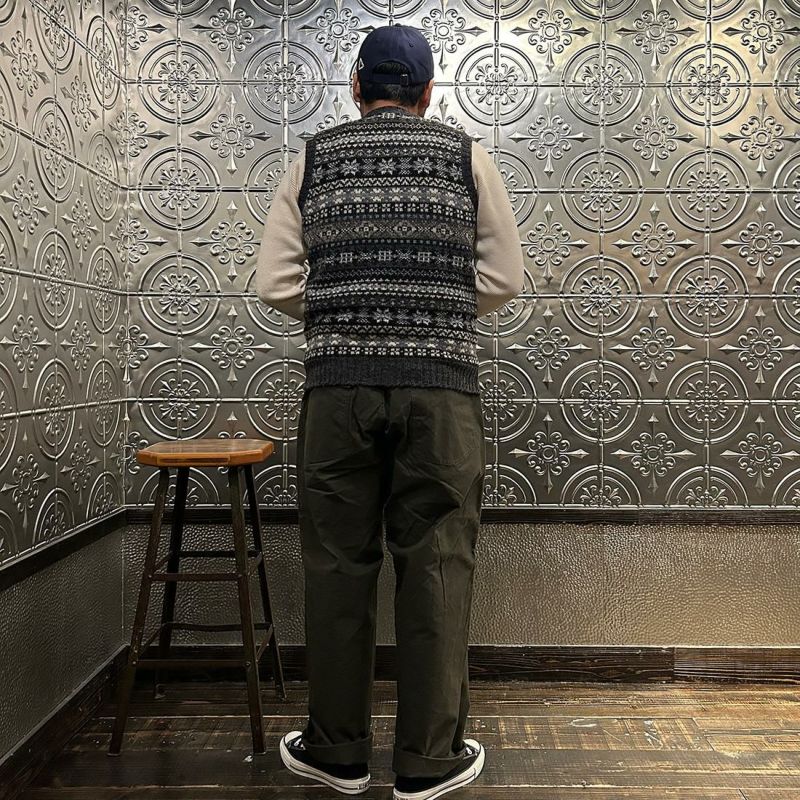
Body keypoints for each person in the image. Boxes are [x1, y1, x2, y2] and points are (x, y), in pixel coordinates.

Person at [255, 23, 524, 800]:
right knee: (436, 565)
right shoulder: (467, 156)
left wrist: (342, 311)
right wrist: (436, 312)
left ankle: (337, 753)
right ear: (428, 92)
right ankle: (428, 760)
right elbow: (503, 278)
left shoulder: (313, 158)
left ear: (355, 87)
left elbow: (275, 283)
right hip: (441, 390)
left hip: (337, 389)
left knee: (338, 566)